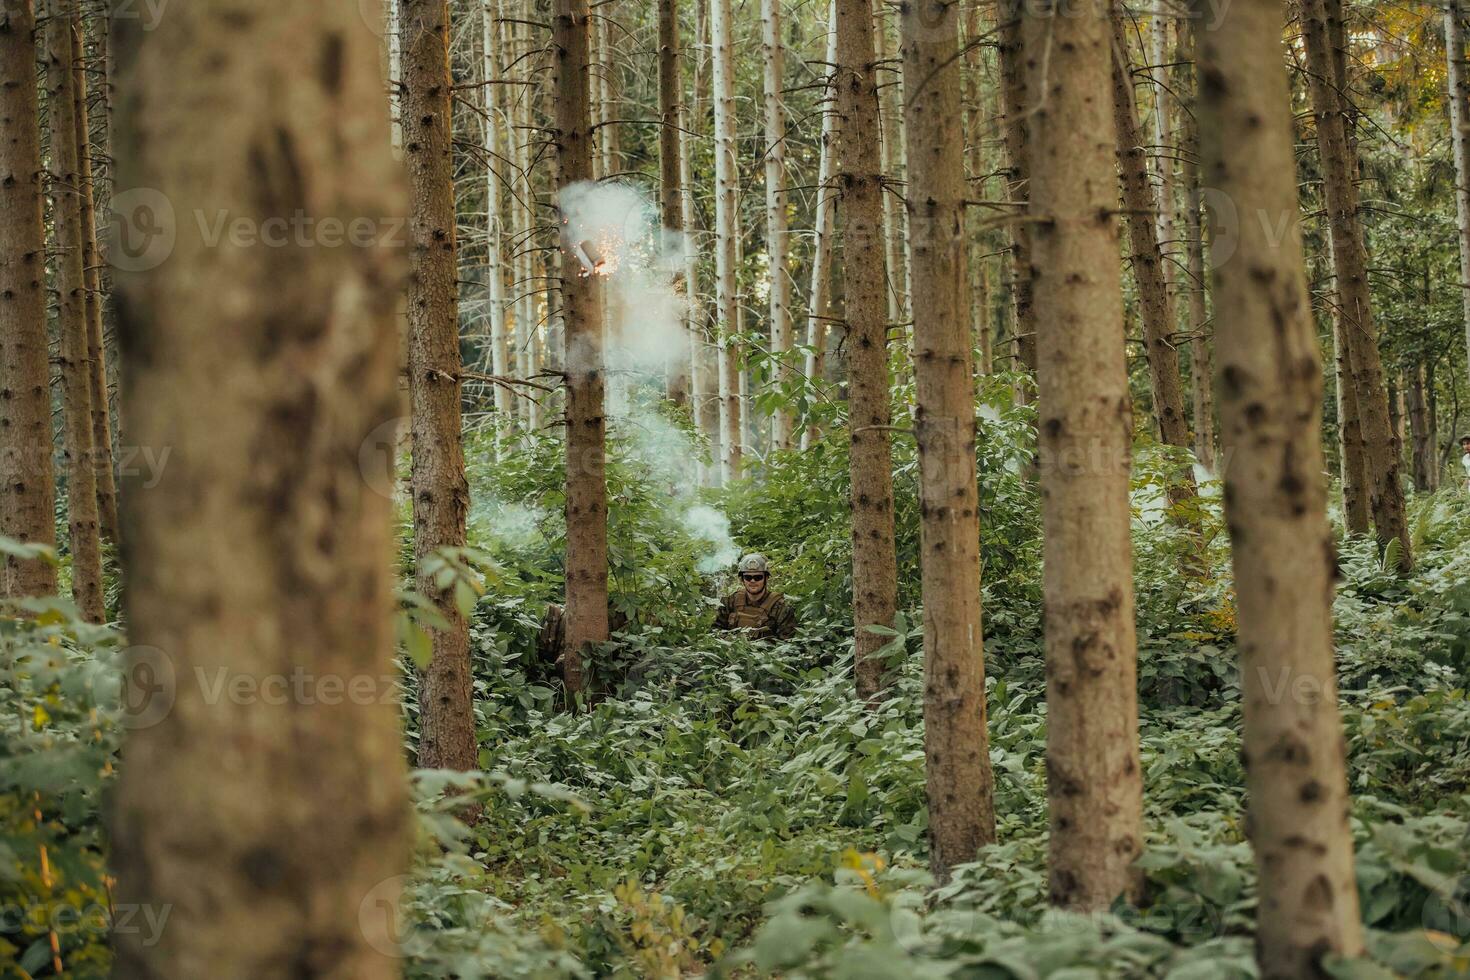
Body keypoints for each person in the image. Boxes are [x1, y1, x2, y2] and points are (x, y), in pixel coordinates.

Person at [713, 554, 797, 641]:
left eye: (758, 577)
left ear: (766, 578)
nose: (752, 581)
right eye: (748, 577)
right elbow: (715, 631)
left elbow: (787, 643)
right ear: (742, 579)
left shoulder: (780, 607)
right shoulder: (730, 601)